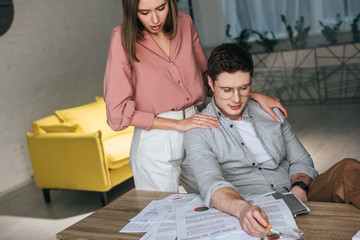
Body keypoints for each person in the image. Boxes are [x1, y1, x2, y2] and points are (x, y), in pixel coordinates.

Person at [103, 0, 287, 193]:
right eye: (144, 12)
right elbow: (117, 113)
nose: (155, 19)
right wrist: (177, 125)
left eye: (161, 8)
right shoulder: (121, 37)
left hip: (197, 126)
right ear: (132, 11)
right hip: (157, 136)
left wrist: (251, 95)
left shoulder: (184, 22)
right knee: (164, 212)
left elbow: (208, 78)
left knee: (217, 199)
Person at [180, 43, 360, 237]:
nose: (236, 99)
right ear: (211, 83)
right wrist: (242, 209)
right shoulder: (199, 130)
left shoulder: (269, 112)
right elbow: (212, 183)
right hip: (254, 208)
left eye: (244, 88)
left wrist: (300, 186)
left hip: (299, 196)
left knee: (347, 170)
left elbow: (301, 160)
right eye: (227, 90)